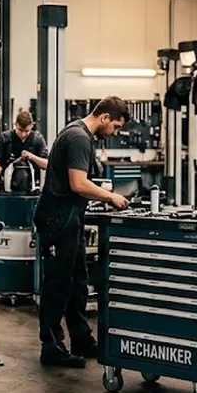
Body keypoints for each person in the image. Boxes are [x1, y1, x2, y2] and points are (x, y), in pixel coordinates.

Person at [33, 96, 130, 368]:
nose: (116, 133)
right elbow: (78, 183)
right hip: (57, 221)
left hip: (69, 219)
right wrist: (110, 197)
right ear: (105, 118)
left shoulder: (75, 132)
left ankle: (81, 339)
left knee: (77, 282)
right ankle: (51, 346)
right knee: (57, 285)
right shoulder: (79, 137)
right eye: (117, 127)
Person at [0, 109, 49, 191]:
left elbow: (46, 164)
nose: (23, 134)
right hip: (6, 185)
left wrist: (32, 157)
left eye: (27, 131)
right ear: (15, 124)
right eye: (20, 130)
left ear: (32, 126)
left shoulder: (37, 139)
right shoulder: (5, 138)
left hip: (32, 187)